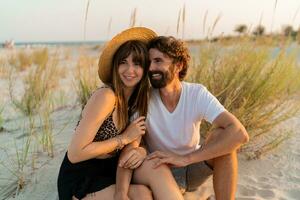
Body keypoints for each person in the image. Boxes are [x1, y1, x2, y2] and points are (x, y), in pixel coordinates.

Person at [57, 27, 183, 200]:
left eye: (137, 63)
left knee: (147, 187)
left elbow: (137, 140)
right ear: (116, 66)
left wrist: (141, 151)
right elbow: (75, 153)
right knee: (142, 195)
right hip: (81, 177)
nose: (129, 70)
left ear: (145, 67)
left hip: (109, 170)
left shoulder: (138, 101)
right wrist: (122, 139)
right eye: (123, 62)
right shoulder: (107, 97)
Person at [121, 35, 249, 200]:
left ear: (178, 65)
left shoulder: (196, 94)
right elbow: (135, 143)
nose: (151, 68)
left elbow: (239, 134)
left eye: (158, 61)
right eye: (149, 62)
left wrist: (185, 159)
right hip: (159, 171)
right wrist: (139, 149)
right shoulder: (143, 100)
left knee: (222, 138)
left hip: (191, 169)